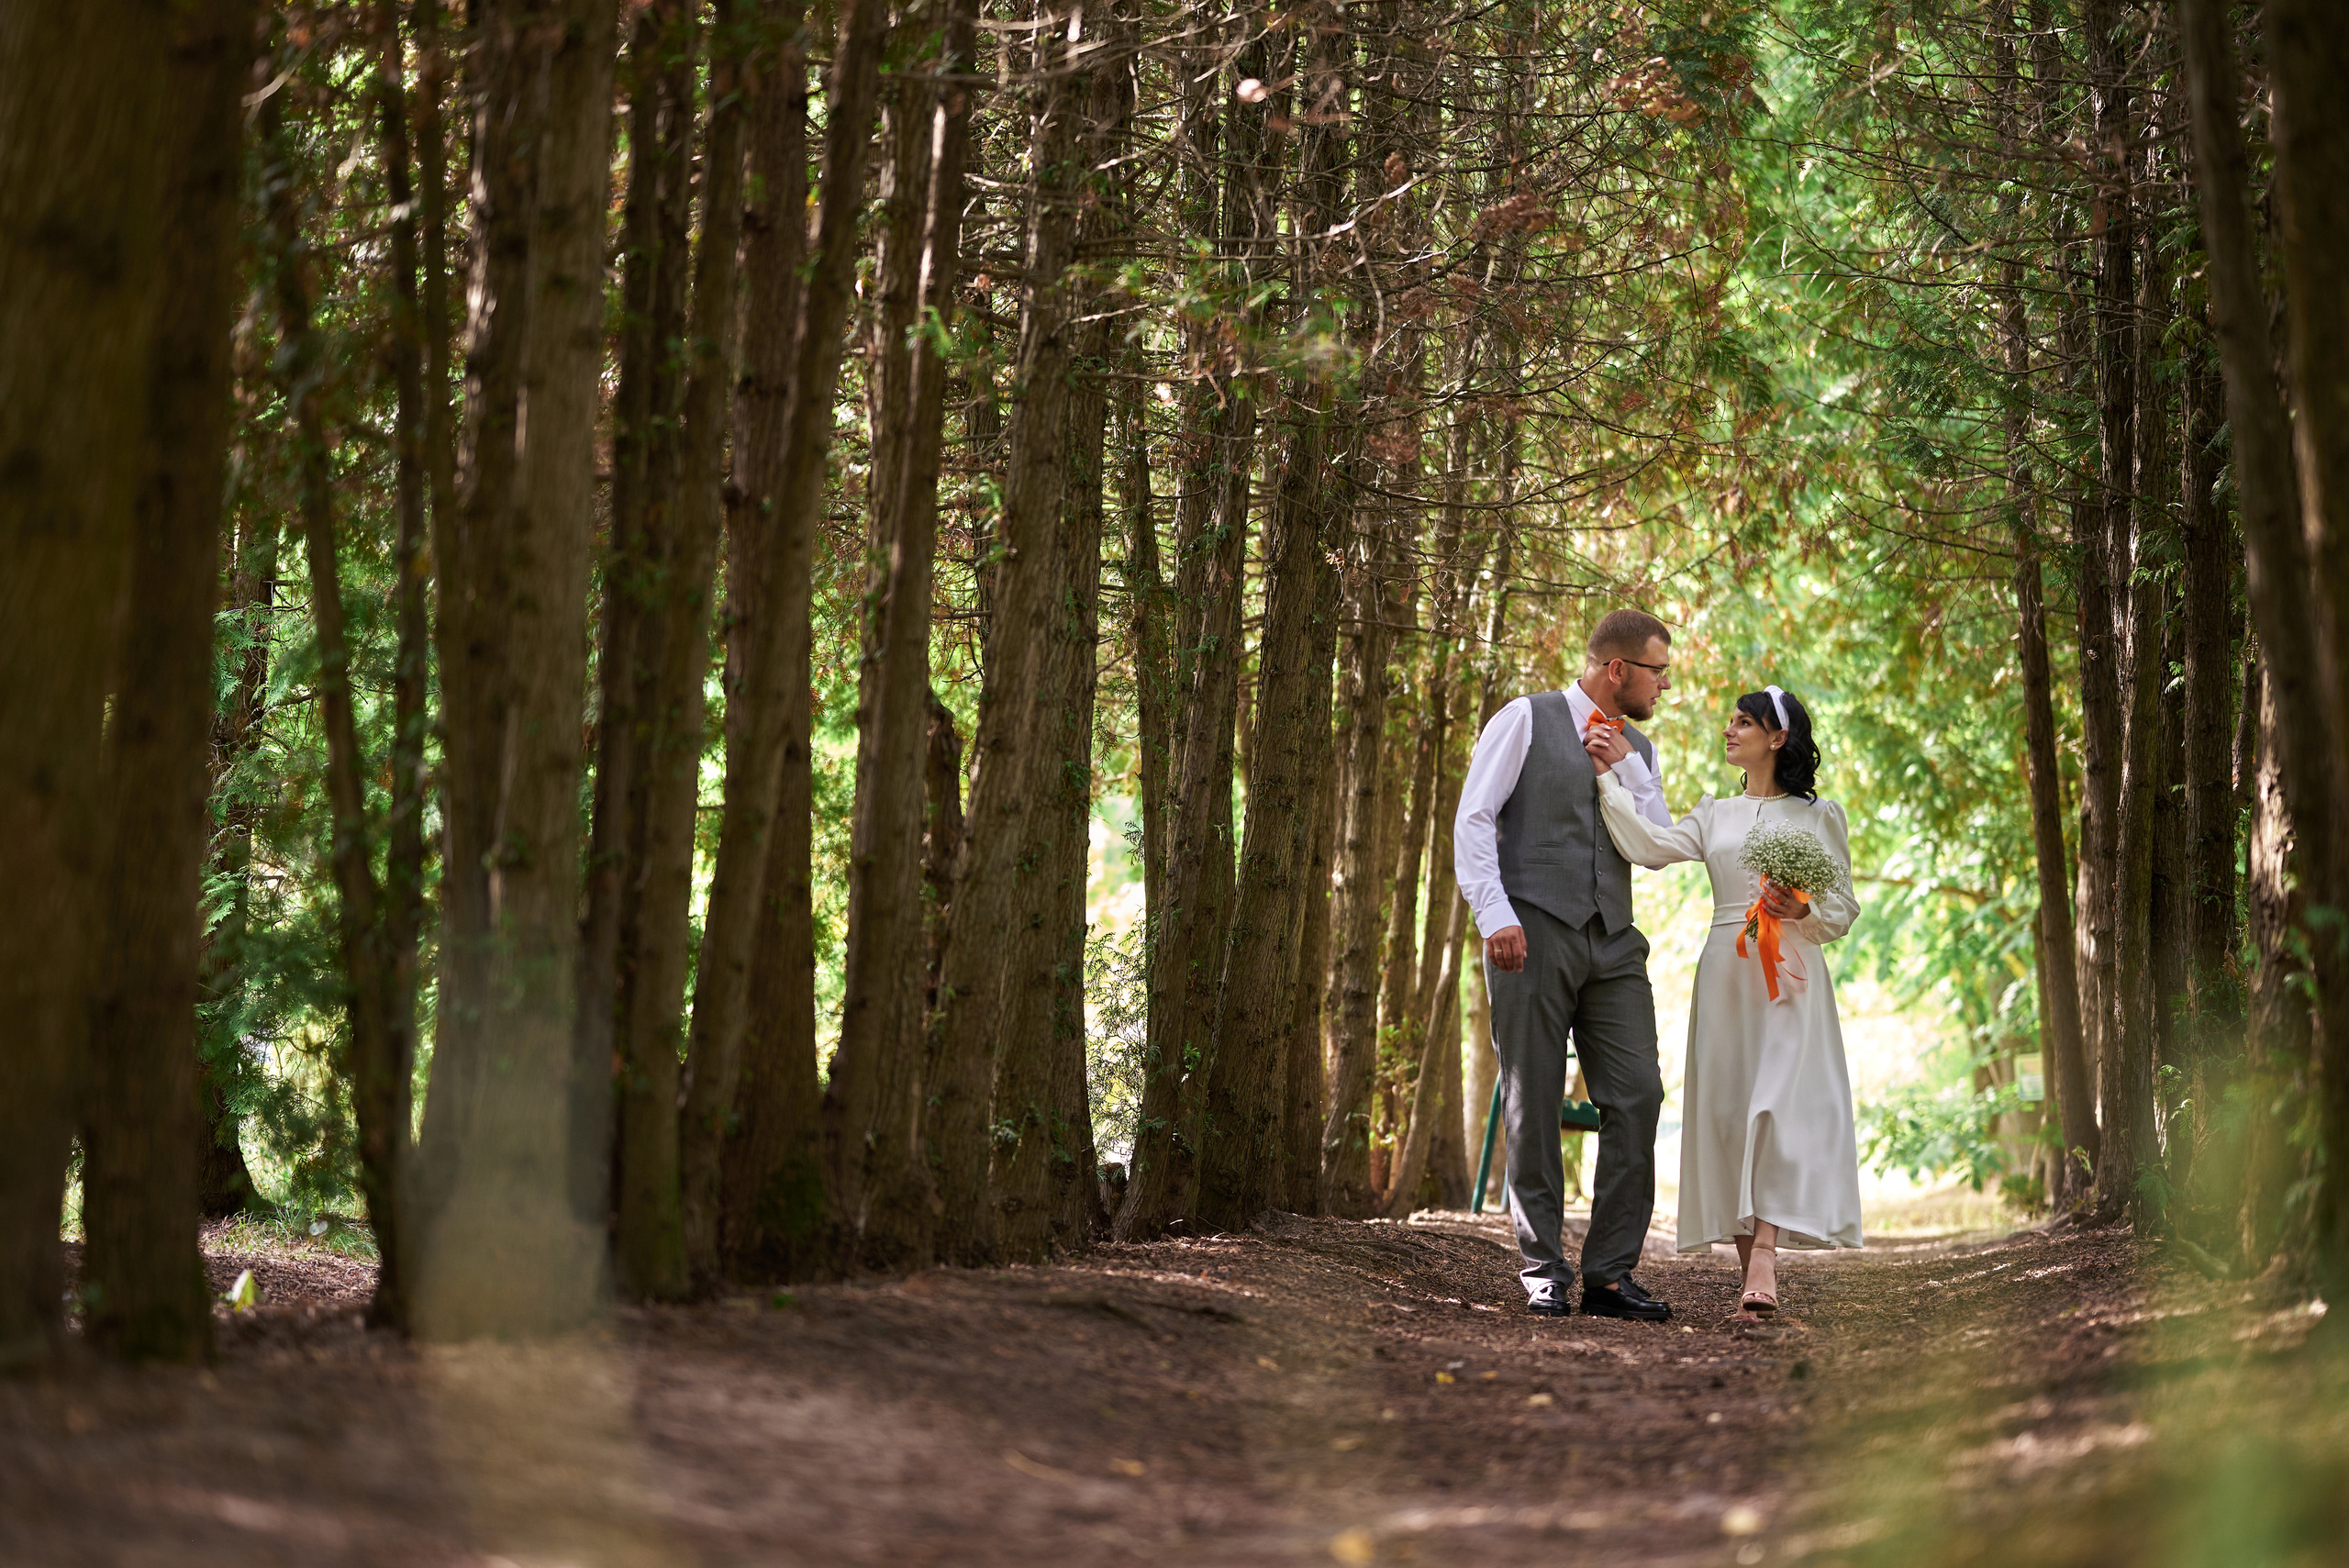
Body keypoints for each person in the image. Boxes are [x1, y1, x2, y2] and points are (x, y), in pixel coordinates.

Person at [1590, 685, 1864, 1319]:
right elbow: (1649, 845)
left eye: (1745, 721)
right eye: (1731, 720)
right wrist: (1608, 779)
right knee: (1731, 1113)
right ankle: (1753, 1284)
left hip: (1791, 976)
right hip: (1724, 971)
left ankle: (1764, 1254)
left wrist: (1804, 908)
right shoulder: (1713, 812)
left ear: (1777, 738)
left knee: (1776, 1107)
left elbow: (1843, 906)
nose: (1730, 728)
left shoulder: (1821, 816)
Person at [1453, 609, 1676, 1320]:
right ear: (1618, 670)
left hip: (1613, 940)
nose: (1664, 685)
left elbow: (1655, 842)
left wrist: (1626, 765)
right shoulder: (1524, 718)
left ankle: (1609, 1274)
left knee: (1638, 1092)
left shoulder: (1637, 744)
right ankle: (1543, 1267)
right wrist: (1496, 914)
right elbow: (1475, 816)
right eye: (1656, 671)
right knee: (1534, 1097)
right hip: (1531, 931)